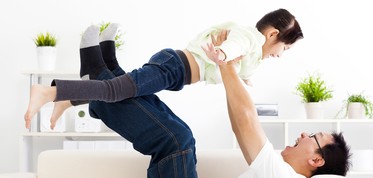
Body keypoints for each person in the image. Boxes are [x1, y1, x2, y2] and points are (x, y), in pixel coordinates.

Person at [23, 28, 351, 178]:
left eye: (314, 136)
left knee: (178, 139)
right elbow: (243, 126)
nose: (305, 133)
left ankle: (88, 85)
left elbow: (246, 121)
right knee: (169, 125)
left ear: (316, 158)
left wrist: (226, 66)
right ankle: (101, 77)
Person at [24, 8, 303, 130]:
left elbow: (244, 71)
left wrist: (246, 80)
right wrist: (221, 52)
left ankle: (70, 97)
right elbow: (235, 46)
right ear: (272, 35)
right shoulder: (249, 38)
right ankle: (50, 91)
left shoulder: (254, 55)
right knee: (116, 90)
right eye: (285, 49)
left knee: (123, 89)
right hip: (175, 66)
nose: (281, 55)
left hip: (176, 73)